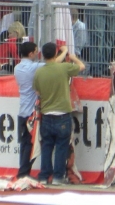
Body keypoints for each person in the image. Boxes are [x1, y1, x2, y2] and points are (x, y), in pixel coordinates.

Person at [33, 42, 85, 185]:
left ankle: (44, 176)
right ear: (55, 54)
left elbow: (37, 92)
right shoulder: (63, 68)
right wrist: (72, 56)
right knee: (62, 147)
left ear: (42, 55)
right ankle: (58, 177)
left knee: (46, 146)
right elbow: (82, 67)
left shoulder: (39, 72)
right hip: (62, 114)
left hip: (47, 114)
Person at [14, 41, 43, 178]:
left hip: (22, 110)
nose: (37, 54)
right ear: (31, 53)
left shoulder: (18, 68)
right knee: (30, 144)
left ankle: (23, 171)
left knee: (25, 143)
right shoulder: (33, 68)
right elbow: (51, 65)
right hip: (31, 113)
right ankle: (24, 173)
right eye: (36, 52)